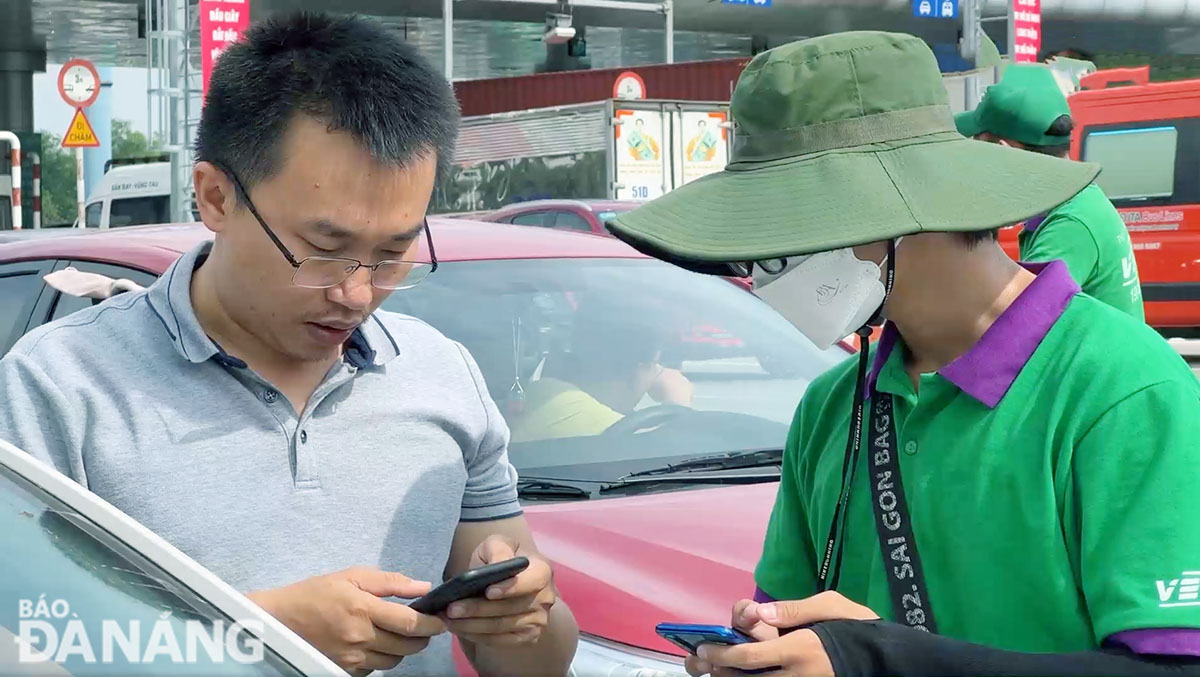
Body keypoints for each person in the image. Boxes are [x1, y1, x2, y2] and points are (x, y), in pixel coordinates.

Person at [0, 12, 577, 676]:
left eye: (393, 255)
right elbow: (23, 649)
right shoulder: (62, 387)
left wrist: (522, 616)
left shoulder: (443, 375)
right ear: (215, 197)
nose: (357, 295)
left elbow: (535, 663)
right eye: (321, 252)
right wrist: (257, 635)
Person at [606, 31, 1200, 676]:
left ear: (888, 214)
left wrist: (885, 662)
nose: (761, 274)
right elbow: (799, 620)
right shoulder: (833, 407)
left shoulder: (1123, 393)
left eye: (778, 240)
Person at [956, 64, 1145, 320]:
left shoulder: (1068, 226)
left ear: (1003, 152)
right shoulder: (1078, 201)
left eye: (978, 149)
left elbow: (1012, 326)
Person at [509, 300, 692, 443]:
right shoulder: (586, 420)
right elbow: (673, 456)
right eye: (655, 364)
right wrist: (677, 401)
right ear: (639, 370)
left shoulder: (544, 392)